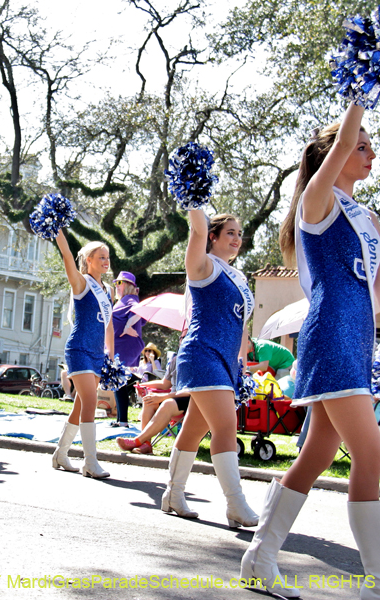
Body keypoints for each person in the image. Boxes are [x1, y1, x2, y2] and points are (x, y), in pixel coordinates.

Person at [241, 104, 380, 599]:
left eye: (369, 145)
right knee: (373, 454)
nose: (369, 152)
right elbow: (341, 142)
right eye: (359, 144)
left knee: (317, 453)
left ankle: (259, 557)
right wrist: (360, 86)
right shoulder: (316, 202)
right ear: (332, 155)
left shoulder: (369, 218)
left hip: (359, 339)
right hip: (331, 335)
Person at [159, 212, 257, 528]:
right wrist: (195, 198)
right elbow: (198, 228)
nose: (236, 238)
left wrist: (242, 364)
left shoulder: (238, 276)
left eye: (239, 233)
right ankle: (235, 504)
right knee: (226, 425)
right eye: (229, 232)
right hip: (202, 353)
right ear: (213, 237)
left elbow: (241, 326)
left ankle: (173, 494)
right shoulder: (203, 267)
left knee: (194, 429)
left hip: (227, 362)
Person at [50, 231, 114, 479]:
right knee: (89, 402)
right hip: (79, 349)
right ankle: (90, 461)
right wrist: (58, 231)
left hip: (98, 353)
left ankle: (61, 453)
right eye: (101, 257)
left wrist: (111, 356)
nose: (106, 261)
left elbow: (109, 326)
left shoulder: (108, 290)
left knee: (80, 405)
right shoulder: (81, 282)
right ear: (88, 259)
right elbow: (67, 254)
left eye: (108, 257)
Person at [117, 352, 185, 455]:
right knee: (149, 400)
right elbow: (164, 384)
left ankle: (137, 441)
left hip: (190, 401)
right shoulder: (175, 360)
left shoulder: (197, 361)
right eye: (181, 338)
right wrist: (142, 385)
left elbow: (192, 391)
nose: (183, 340)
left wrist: (162, 397)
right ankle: (146, 444)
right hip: (174, 399)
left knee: (167, 403)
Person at [111, 271, 147, 427]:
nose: (116, 286)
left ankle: (123, 421)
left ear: (127, 286)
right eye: (116, 283)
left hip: (123, 347)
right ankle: (121, 419)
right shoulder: (124, 301)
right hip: (119, 346)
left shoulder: (130, 300)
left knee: (118, 382)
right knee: (117, 382)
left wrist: (127, 325)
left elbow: (140, 311)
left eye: (119, 283)